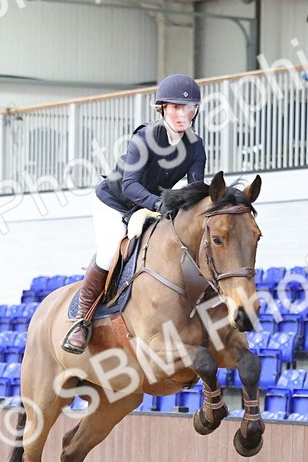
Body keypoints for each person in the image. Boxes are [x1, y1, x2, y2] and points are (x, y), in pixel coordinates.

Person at [62, 73, 207, 354]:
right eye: (175, 107)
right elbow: (129, 185)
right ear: (163, 108)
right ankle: (82, 320)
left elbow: (196, 188)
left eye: (188, 108)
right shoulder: (146, 137)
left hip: (148, 206)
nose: (182, 114)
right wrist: (159, 204)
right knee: (109, 250)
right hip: (114, 203)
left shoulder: (195, 146)